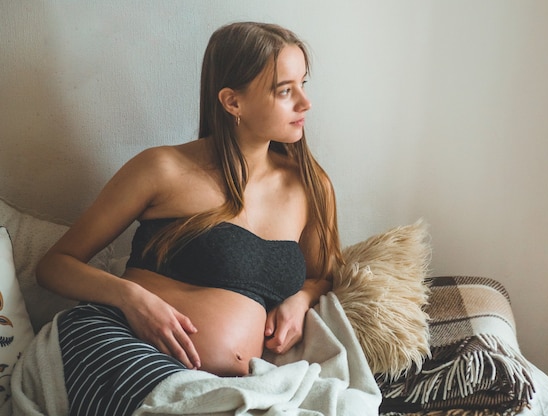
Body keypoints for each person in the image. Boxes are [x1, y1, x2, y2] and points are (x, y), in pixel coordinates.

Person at [35, 21, 342, 416]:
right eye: (285, 90)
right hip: (120, 341)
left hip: (221, 386)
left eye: (303, 83)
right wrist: (132, 299)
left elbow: (323, 275)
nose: (305, 103)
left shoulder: (311, 186)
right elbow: (54, 266)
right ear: (233, 102)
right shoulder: (162, 169)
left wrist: (301, 299)